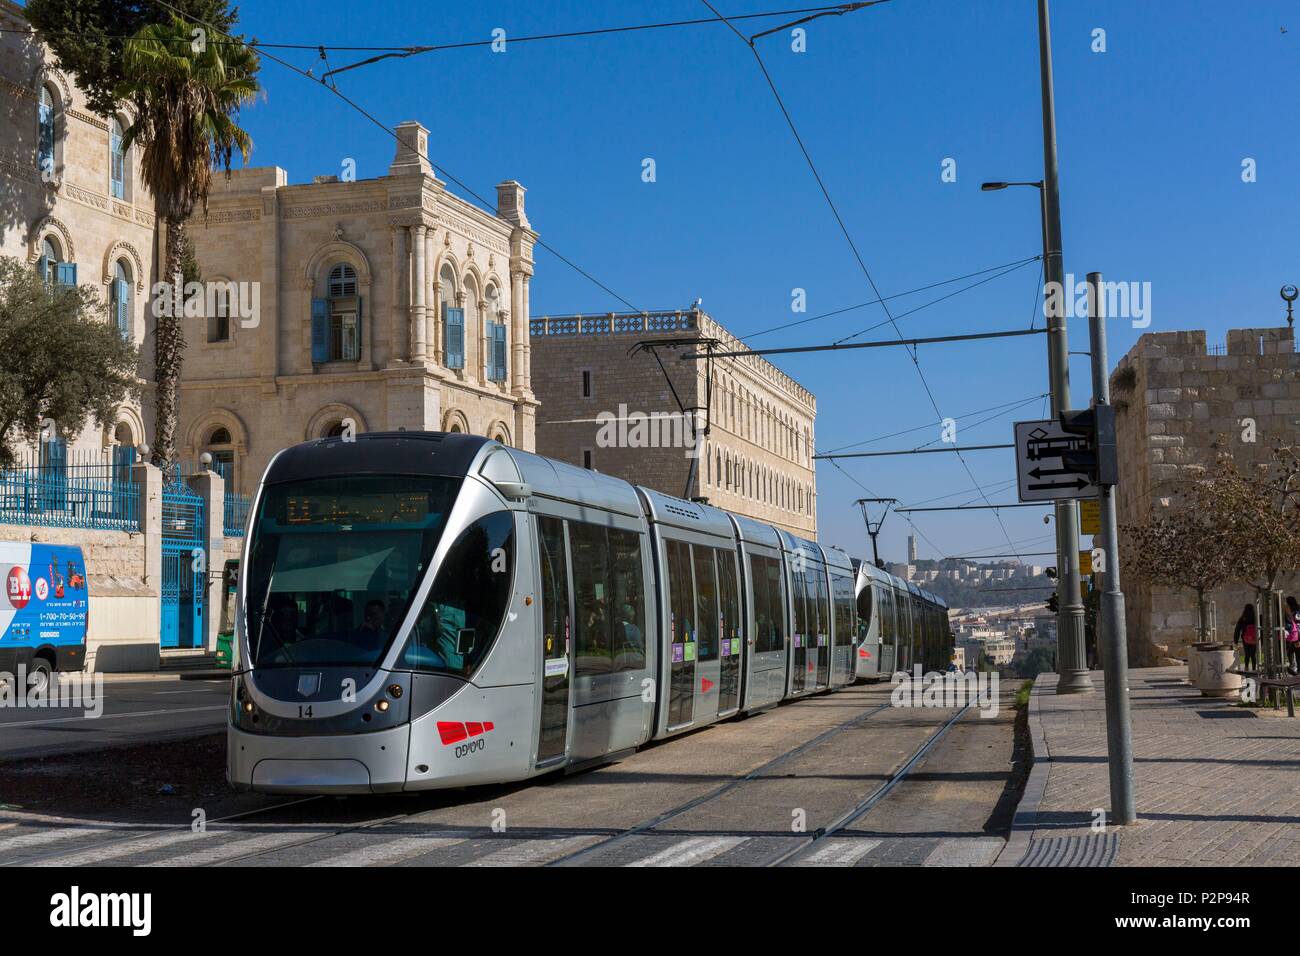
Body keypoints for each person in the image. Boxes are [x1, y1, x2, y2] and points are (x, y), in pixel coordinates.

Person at [1233, 604, 1257, 672]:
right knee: (1253, 654)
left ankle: (1246, 667)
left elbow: (1237, 629)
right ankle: (1254, 669)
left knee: (1247, 654)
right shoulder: (1255, 618)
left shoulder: (1243, 618)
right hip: (1254, 638)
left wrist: (1236, 640)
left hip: (1245, 638)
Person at [1286, 597, 1300, 674]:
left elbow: (1291, 623)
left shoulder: (1291, 611)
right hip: (1297, 634)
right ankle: (1295, 667)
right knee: (1293, 651)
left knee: (1294, 652)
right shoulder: (1298, 608)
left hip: (1296, 635)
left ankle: (1296, 668)